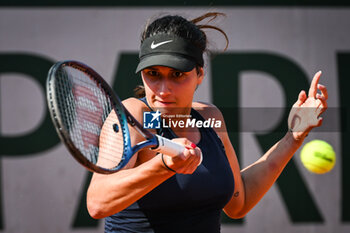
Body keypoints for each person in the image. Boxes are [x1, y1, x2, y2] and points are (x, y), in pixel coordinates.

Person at [86, 12, 328, 233]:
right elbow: (98, 203)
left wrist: (293, 137)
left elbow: (238, 203)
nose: (163, 89)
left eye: (177, 74)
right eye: (153, 74)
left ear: (200, 74)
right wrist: (163, 167)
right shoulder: (134, 116)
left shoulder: (210, 119)